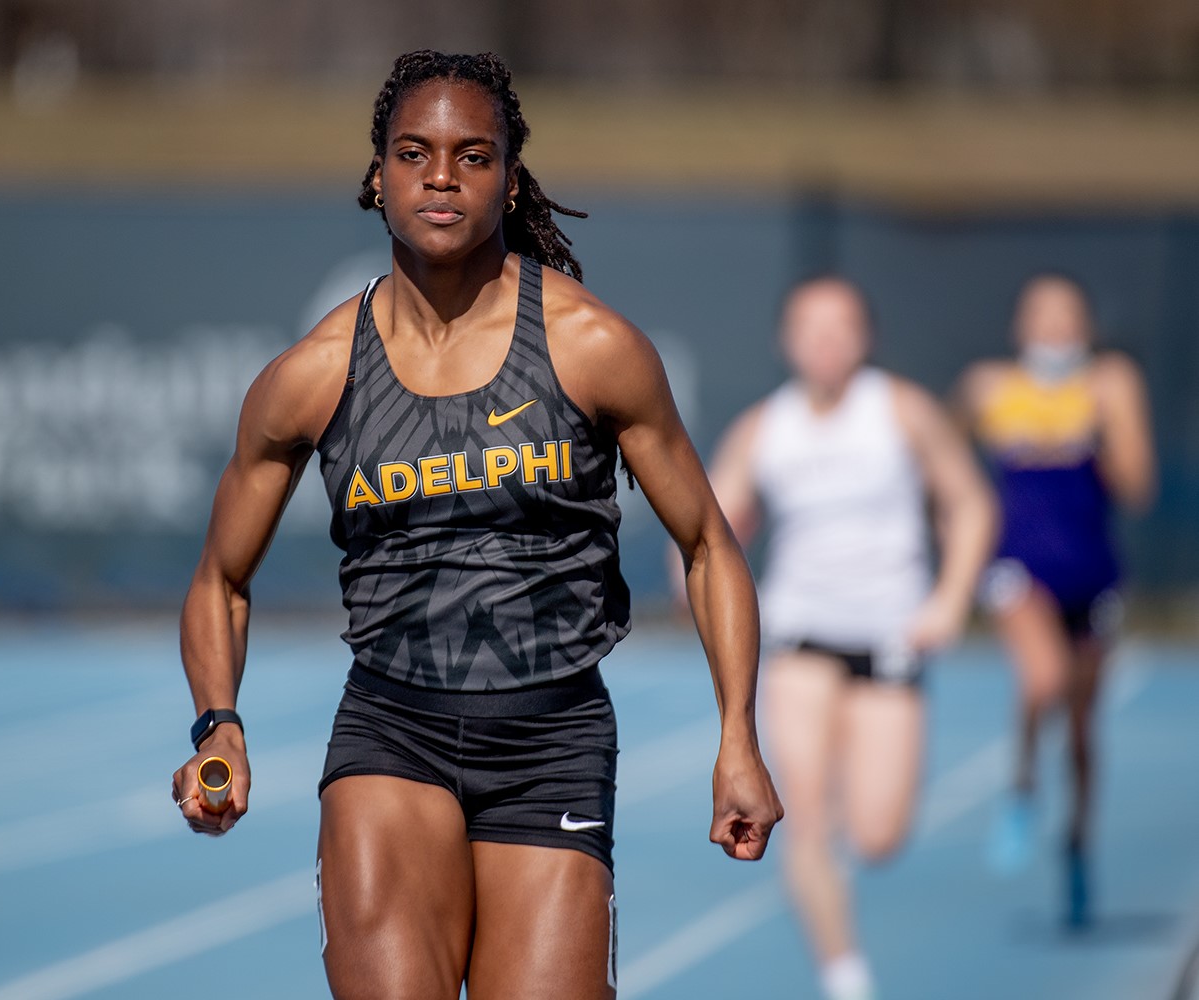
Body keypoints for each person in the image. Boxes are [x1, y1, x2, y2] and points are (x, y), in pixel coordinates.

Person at [170, 49, 783, 1000]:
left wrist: (738, 736)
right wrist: (219, 725)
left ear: (509, 175)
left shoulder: (593, 349)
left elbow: (709, 546)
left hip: (554, 743)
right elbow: (219, 578)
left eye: (473, 155)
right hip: (391, 736)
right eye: (415, 153)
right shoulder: (314, 373)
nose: (443, 176)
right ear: (378, 176)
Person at [707, 277, 996, 1000]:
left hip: (891, 637)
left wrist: (951, 599)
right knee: (803, 819)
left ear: (863, 337)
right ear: (788, 340)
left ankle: (841, 827)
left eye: (840, 327)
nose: (826, 341)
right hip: (802, 636)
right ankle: (845, 979)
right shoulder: (761, 428)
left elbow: (971, 504)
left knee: (877, 833)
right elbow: (712, 526)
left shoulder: (901, 410)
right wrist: (718, 547)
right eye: (811, 327)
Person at [957, 273, 1154, 928]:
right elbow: (942, 458)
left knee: (1080, 726)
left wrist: (1093, 436)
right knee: (1045, 678)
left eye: (1067, 316)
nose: (1054, 329)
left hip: (1091, 574)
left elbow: (1136, 486)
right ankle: (1020, 783)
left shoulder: (1109, 384)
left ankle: (1076, 841)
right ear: (1020, 327)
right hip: (1021, 567)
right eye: (1041, 316)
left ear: (1086, 327)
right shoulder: (990, 388)